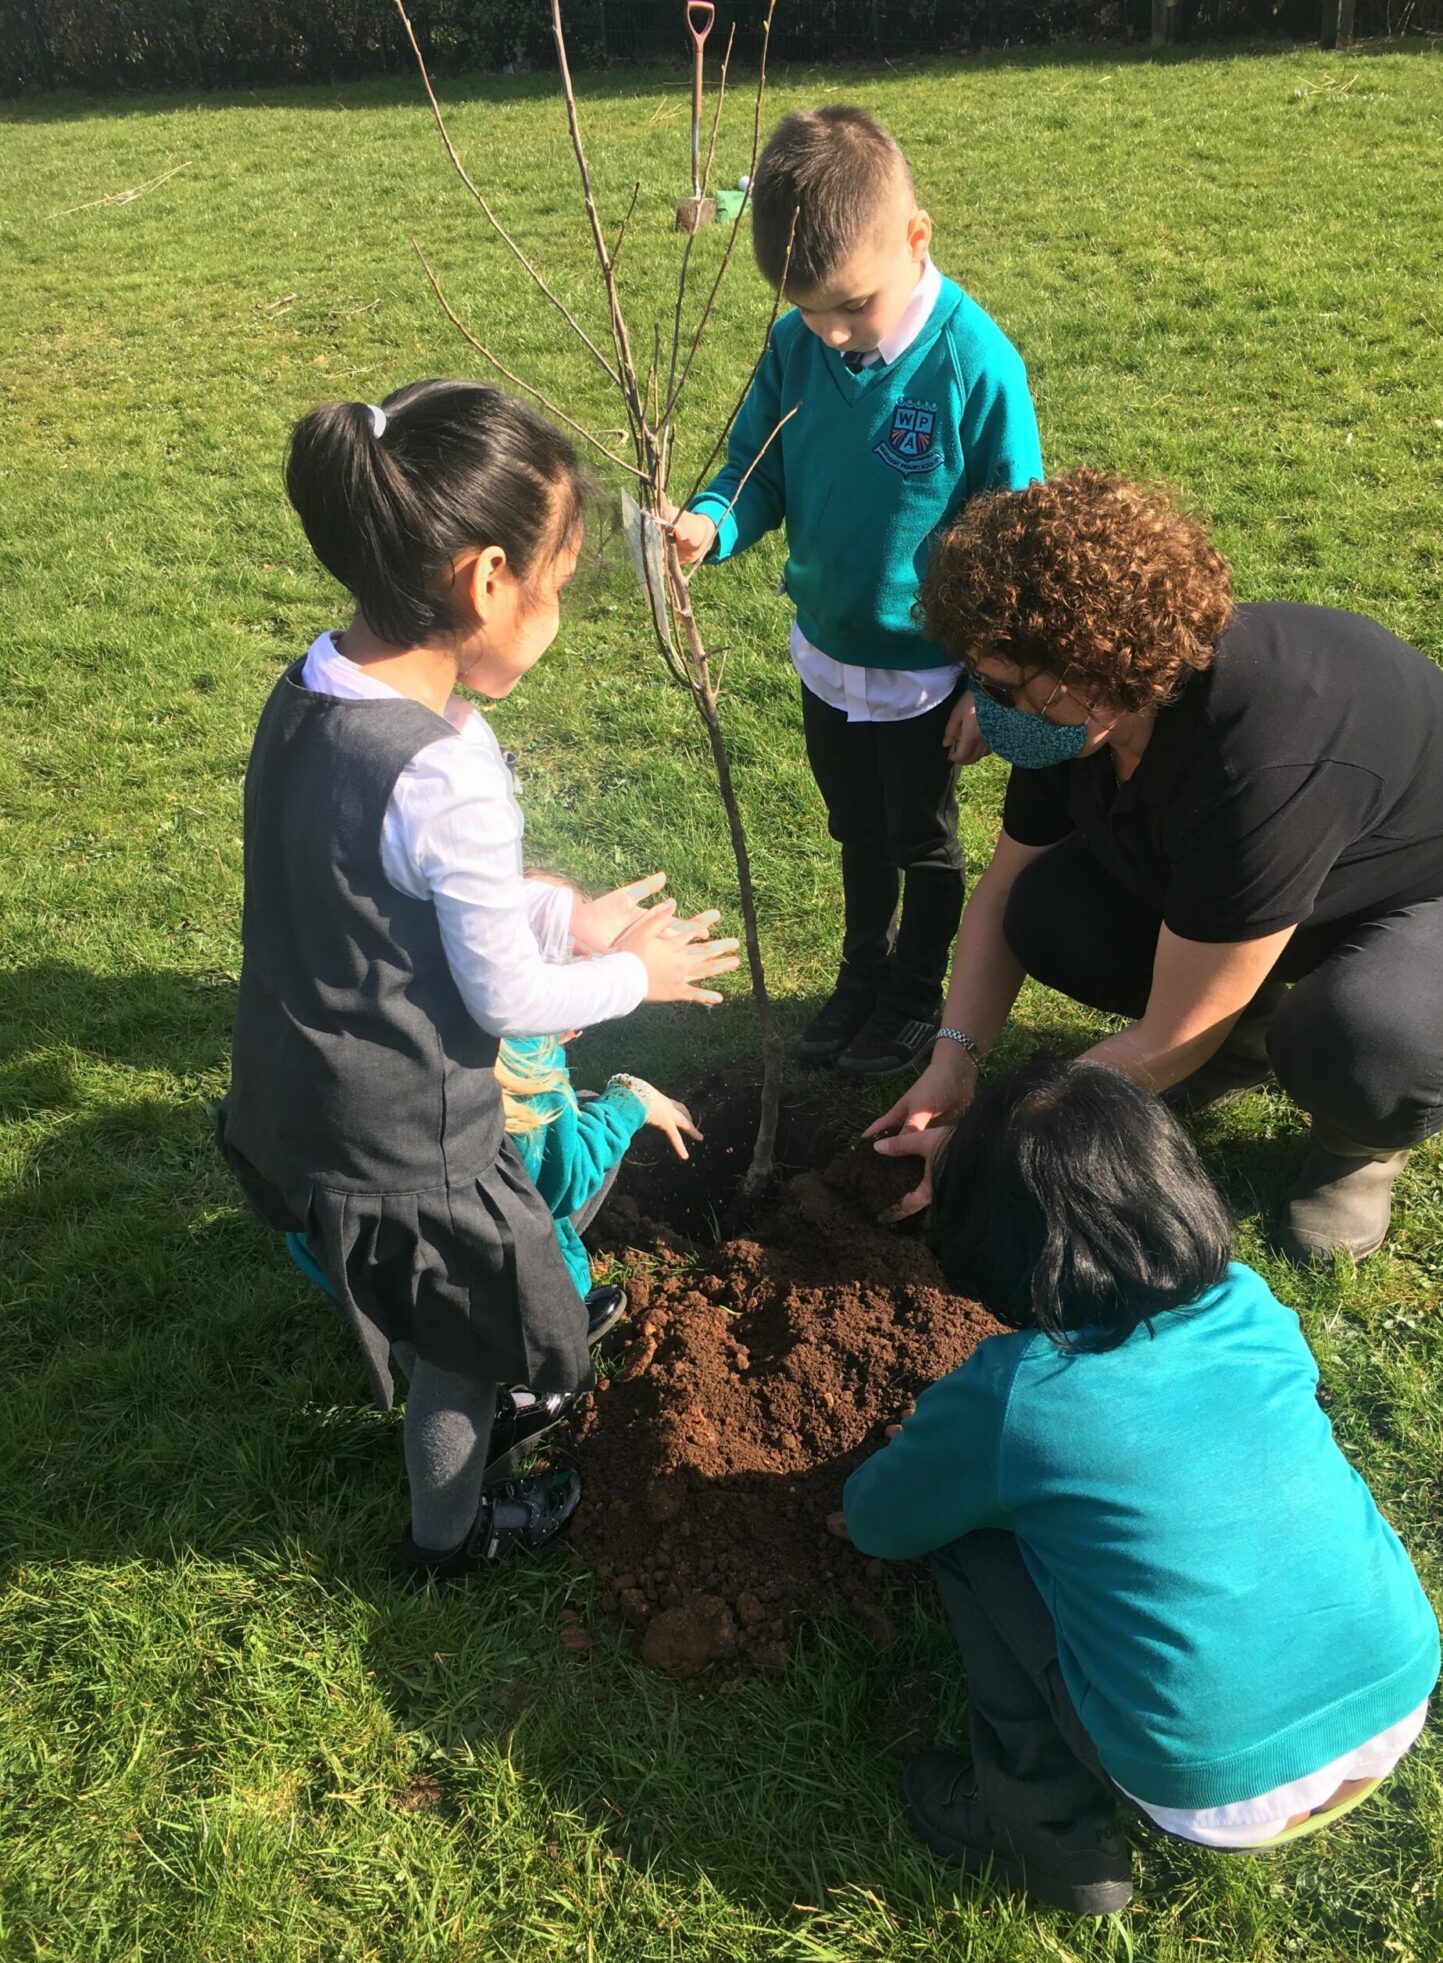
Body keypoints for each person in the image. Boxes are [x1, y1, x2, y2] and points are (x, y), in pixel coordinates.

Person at [217, 379, 738, 1582]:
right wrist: (628, 972)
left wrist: (561, 910)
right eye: (555, 590)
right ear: (488, 579)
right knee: (462, 1345)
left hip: (296, 1088)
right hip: (403, 1134)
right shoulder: (446, 769)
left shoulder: (310, 688)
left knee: (427, 1308)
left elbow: (391, 895)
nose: (554, 616)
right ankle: (451, 1533)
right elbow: (506, 1003)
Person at [842, 1060, 1440, 1914]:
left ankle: (1047, 1838)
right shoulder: (1251, 1304)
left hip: (1202, 1778)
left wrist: (940, 1469)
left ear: (982, 1246)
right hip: (1397, 1689)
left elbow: (877, 1522)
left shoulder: (1015, 1398)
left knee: (966, 1539)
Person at [868, 470, 1443, 1261]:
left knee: (1364, 1038)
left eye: (999, 685)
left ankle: (1355, 1143)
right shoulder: (1065, 708)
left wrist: (992, 1146)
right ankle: (1247, 1039)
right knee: (1048, 911)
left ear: (1096, 665)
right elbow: (1000, 891)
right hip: (1289, 868)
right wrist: (953, 1059)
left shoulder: (1255, 760)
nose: (984, 708)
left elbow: (1176, 1028)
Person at [671, 106, 1043, 1078]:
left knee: (921, 838)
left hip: (929, 675)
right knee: (855, 828)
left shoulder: (976, 367)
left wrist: (988, 681)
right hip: (828, 655)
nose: (833, 333)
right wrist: (713, 519)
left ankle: (917, 991)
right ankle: (861, 971)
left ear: (917, 238)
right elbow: (757, 459)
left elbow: (1013, 547)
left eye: (852, 308)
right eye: (812, 312)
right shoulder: (798, 346)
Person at [497, 1034, 701, 1296]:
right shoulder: (519, 1064)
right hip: (509, 1297)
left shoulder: (448, 1050)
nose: (578, 1032)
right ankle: (565, 1297)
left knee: (583, 1103)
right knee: (583, 1134)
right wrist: (632, 1100)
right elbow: (564, 1178)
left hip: (444, 1257)